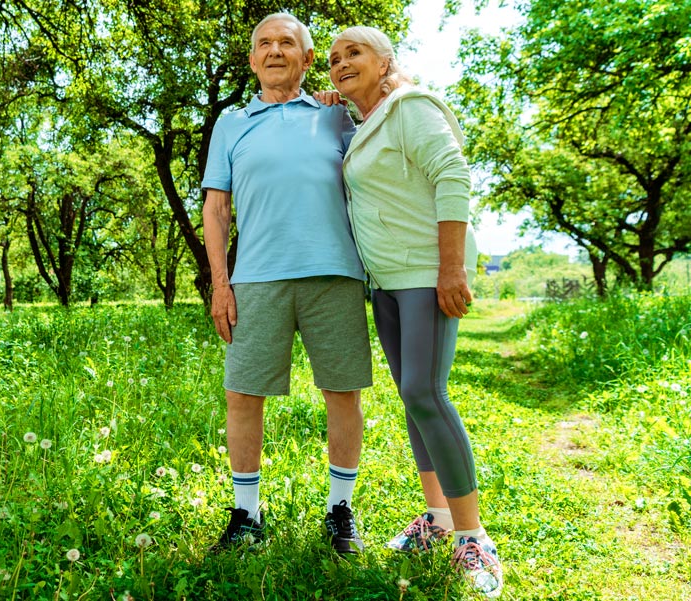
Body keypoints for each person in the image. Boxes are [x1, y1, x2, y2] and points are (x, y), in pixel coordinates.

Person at [322, 25, 504, 596]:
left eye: (354, 53)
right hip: (387, 282)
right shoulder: (367, 122)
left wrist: (452, 268)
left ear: (386, 61)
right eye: (332, 60)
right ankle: (439, 517)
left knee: (427, 394)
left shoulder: (412, 106)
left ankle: (473, 538)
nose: (341, 63)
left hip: (427, 276)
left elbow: (453, 177)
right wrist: (340, 103)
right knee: (411, 396)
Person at [201, 12, 373, 556]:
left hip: (335, 274)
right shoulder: (231, 123)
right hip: (255, 279)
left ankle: (340, 511)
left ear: (305, 58)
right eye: (264, 44)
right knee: (242, 393)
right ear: (252, 60)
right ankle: (246, 517)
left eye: (287, 43)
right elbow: (216, 209)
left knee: (342, 391)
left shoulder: (338, 115)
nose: (275, 51)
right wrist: (220, 284)